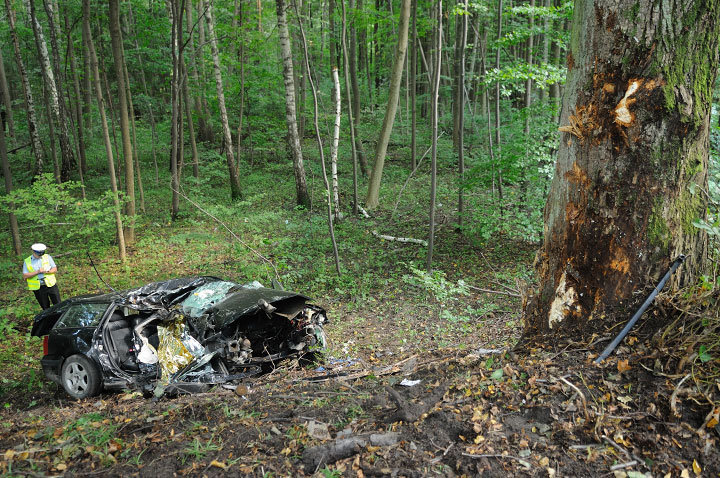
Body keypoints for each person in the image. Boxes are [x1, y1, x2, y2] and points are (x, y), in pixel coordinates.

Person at [22, 243, 61, 310]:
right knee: (45, 307)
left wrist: (47, 271)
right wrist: (37, 272)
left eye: (41, 254)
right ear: (33, 252)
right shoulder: (27, 261)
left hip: (51, 285)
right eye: (38, 255)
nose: (40, 256)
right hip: (38, 288)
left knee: (58, 304)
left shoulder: (47, 257)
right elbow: (25, 276)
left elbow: (54, 269)